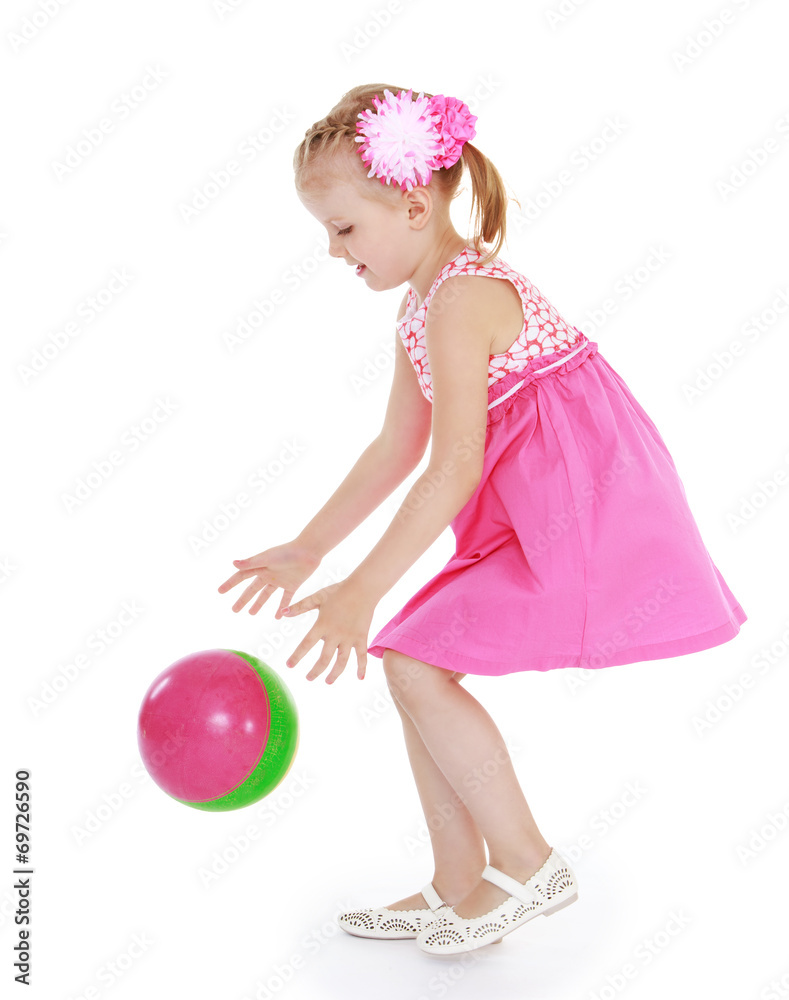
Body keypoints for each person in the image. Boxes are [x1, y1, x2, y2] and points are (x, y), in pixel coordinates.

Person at [217, 84, 748, 956]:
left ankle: (527, 863)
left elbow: (455, 462)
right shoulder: (420, 306)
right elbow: (397, 444)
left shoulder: (464, 299)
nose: (332, 250)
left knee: (412, 659)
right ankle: (461, 882)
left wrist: (362, 589)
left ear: (414, 207)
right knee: (412, 658)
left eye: (343, 228)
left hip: (580, 523)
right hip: (527, 521)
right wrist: (309, 550)